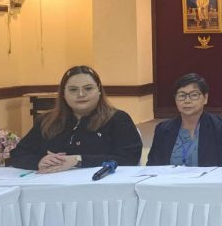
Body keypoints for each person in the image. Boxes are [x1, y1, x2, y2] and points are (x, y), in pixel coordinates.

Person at [10, 65, 143, 172]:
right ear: (63, 94)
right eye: (73, 90)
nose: (81, 94)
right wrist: (39, 161)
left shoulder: (117, 119)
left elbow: (129, 158)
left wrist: (78, 160)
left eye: (88, 88)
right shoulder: (46, 121)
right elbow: (18, 155)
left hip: (98, 187)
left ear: (99, 90)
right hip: (50, 185)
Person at [146, 73, 222, 167]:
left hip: (208, 177)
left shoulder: (218, 127)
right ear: (175, 99)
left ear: (205, 98)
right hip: (171, 177)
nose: (187, 101)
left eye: (194, 95)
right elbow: (152, 166)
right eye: (182, 95)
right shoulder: (163, 129)